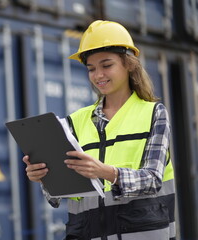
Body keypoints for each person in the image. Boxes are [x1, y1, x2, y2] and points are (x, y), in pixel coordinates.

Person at [23, 20, 176, 240]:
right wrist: (45, 178)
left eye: (107, 65)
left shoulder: (154, 114)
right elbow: (59, 197)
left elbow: (152, 180)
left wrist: (106, 172)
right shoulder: (74, 122)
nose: (98, 75)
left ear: (129, 64)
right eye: (91, 69)